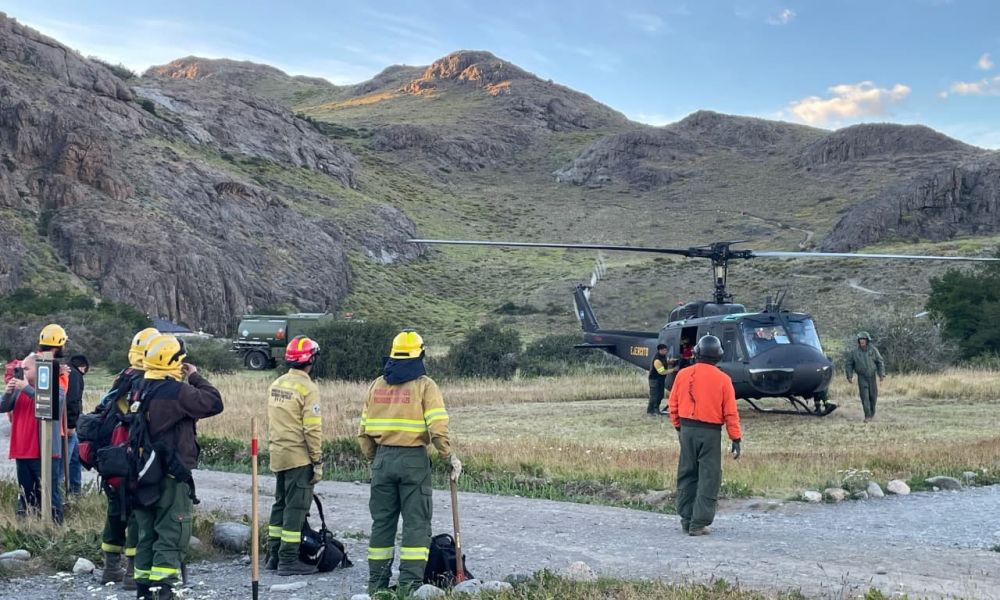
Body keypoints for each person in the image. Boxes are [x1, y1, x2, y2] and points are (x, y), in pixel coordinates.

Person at [358, 330, 461, 595]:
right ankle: (409, 587)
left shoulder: (376, 385)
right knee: (416, 524)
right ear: (420, 354)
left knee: (382, 524)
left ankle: (377, 588)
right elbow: (437, 427)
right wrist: (448, 456)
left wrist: (377, 460)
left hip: (382, 459)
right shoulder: (425, 385)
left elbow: (363, 432)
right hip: (413, 460)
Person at [132, 334, 223, 599]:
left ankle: (143, 590)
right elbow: (214, 402)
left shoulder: (139, 386)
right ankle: (164, 590)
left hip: (141, 472)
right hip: (171, 474)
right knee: (172, 529)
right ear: (175, 362)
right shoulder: (177, 391)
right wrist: (194, 376)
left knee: (146, 532)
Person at [98, 328, 159, 588]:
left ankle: (110, 567)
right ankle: (133, 572)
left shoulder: (123, 377)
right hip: (134, 454)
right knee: (136, 512)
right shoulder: (145, 381)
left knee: (115, 510)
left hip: (113, 454)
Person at [668, 335, 742, 536]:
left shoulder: (682, 375)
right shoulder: (724, 380)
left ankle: (686, 519)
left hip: (686, 429)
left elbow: (672, 404)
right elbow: (730, 413)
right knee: (709, 476)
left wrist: (678, 427)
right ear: (718, 356)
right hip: (710, 433)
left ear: (696, 353)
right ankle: (699, 523)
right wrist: (735, 438)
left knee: (687, 473)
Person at [265, 335, 323, 576]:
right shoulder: (308, 388)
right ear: (310, 360)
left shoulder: (278, 383)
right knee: (296, 509)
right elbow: (312, 429)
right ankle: (288, 561)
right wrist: (317, 460)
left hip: (278, 453)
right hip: (299, 457)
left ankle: (272, 555)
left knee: (280, 504)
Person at [0, 352, 67, 523]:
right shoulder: (18, 389)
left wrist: (27, 389)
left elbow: (51, 407)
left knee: (48, 492)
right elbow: (2, 407)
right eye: (21, 368)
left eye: (26, 368)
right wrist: (8, 393)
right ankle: (27, 525)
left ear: (40, 370)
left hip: (44, 452)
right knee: (25, 492)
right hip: (22, 451)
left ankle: (55, 526)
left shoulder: (55, 389)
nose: (22, 371)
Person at [845, 331, 886, 423]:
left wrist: (881, 374)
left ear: (867, 340)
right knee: (865, 397)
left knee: (873, 396)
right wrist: (849, 375)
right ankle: (867, 415)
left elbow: (880, 362)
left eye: (863, 339)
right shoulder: (854, 352)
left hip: (872, 377)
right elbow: (849, 364)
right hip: (862, 377)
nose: (862, 341)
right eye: (860, 340)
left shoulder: (873, 350)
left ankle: (872, 413)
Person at [66, 354, 89, 496]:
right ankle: (67, 490)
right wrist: (72, 424)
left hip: (69, 423)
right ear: (83, 367)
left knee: (75, 459)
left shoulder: (68, 372)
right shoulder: (75, 375)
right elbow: (73, 400)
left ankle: (75, 492)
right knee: (67, 459)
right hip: (70, 426)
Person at [646, 344, 676, 416]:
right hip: (654, 380)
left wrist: (671, 361)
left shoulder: (662, 357)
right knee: (654, 396)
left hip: (660, 380)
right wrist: (673, 369)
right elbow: (662, 372)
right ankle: (650, 411)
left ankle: (656, 410)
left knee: (660, 395)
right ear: (660, 350)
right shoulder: (657, 360)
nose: (666, 351)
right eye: (665, 350)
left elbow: (665, 362)